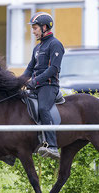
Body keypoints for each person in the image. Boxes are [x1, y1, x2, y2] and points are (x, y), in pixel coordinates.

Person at [22, 12, 65, 159]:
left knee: (42, 108)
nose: (33, 32)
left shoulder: (55, 44)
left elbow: (53, 69)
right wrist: (18, 82)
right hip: (36, 85)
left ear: (44, 27)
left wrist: (35, 81)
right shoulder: (37, 48)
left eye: (35, 28)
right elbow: (29, 68)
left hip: (49, 86)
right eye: (33, 29)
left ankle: (52, 146)